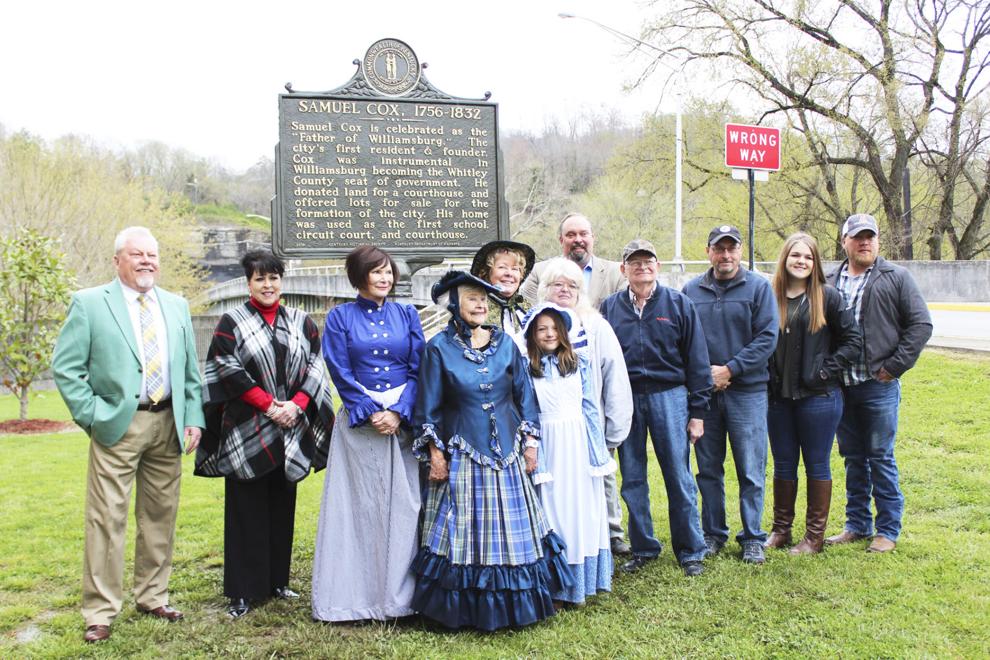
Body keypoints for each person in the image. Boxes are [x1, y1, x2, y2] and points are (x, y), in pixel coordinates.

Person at [52, 226, 205, 643]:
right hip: (117, 425)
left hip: (168, 424)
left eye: (152, 255)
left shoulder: (176, 305)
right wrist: (94, 416)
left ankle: (153, 595)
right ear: (117, 259)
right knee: (107, 518)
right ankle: (99, 610)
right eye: (137, 254)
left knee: (160, 516)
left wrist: (194, 416)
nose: (146, 261)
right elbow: (66, 368)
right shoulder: (89, 304)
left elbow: (191, 370)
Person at [410, 271, 573, 630]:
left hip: (509, 454)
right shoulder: (439, 348)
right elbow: (428, 407)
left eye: (484, 299)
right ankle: (464, 609)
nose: (481, 304)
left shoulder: (505, 345)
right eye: (472, 298)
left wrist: (530, 445)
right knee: (463, 533)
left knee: (516, 531)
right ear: (455, 304)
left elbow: (525, 398)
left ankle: (518, 605)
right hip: (465, 452)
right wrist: (436, 454)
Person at [195, 250, 335, 619]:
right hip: (248, 428)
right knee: (246, 508)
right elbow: (227, 369)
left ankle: (276, 581)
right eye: (260, 279)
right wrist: (271, 406)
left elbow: (316, 367)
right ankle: (243, 590)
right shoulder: (232, 321)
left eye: (273, 278)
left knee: (281, 505)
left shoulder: (302, 322)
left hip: (291, 427)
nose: (268, 285)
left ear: (281, 281)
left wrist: (298, 405)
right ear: (249, 283)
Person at [312, 245, 425, 622]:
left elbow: (417, 367)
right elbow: (338, 368)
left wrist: (399, 411)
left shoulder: (407, 314)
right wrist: (371, 411)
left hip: (401, 425)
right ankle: (353, 600)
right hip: (361, 426)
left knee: (404, 508)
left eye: (388, 272)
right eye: (376, 272)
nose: (385, 278)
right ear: (360, 276)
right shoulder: (340, 317)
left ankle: (399, 600)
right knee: (360, 509)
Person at [600, 240, 713, 577]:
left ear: (657, 266)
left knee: (678, 476)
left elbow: (698, 360)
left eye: (648, 261)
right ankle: (645, 547)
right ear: (624, 270)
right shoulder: (610, 308)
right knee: (632, 477)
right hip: (627, 396)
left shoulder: (678, 304)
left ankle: (691, 550)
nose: (642, 267)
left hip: (671, 396)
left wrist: (698, 411)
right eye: (634, 263)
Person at [522, 213, 632, 557]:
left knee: (589, 492)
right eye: (558, 286)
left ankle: (600, 544)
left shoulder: (595, 327)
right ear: (545, 289)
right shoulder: (531, 334)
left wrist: (612, 431)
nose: (564, 291)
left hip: (587, 429)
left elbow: (615, 380)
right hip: (546, 434)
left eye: (571, 286)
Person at [825, 214, 932, 553]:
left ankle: (887, 529)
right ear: (845, 242)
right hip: (841, 386)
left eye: (870, 236)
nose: (865, 242)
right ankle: (857, 524)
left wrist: (894, 367)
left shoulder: (896, 277)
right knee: (853, 457)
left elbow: (920, 325)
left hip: (877, 385)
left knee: (880, 457)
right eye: (857, 237)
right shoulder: (828, 280)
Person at [682, 225, 778, 565]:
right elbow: (684, 339)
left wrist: (731, 370)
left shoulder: (758, 288)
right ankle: (713, 533)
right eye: (719, 249)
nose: (726, 256)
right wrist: (706, 374)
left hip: (747, 393)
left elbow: (767, 338)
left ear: (740, 251)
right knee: (708, 468)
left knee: (751, 468)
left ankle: (752, 536)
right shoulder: (691, 290)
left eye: (731, 249)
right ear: (708, 251)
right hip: (705, 396)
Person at [765, 233, 862, 554]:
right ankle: (781, 530)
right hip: (779, 398)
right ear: (785, 259)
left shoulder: (827, 297)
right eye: (796, 255)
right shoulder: (771, 296)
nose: (801, 261)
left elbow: (853, 341)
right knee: (783, 464)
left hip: (818, 398)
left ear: (815, 262)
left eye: (807, 257)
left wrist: (824, 370)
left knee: (817, 464)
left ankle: (814, 537)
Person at [522, 302, 616, 605]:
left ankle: (583, 583)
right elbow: (528, 412)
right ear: (532, 335)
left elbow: (589, 407)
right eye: (541, 329)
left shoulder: (579, 363)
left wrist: (596, 452)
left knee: (582, 508)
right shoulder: (527, 369)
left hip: (577, 441)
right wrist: (531, 447)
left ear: (563, 332)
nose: (549, 334)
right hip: (549, 442)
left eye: (554, 328)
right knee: (554, 509)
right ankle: (556, 584)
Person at [520, 212, 626, 309]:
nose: (578, 240)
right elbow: (527, 315)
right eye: (571, 235)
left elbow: (622, 317)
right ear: (561, 240)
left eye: (584, 234)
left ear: (593, 238)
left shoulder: (617, 273)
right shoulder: (538, 272)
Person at [470, 239, 536, 334]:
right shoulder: (474, 309)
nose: (509, 273)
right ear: (487, 272)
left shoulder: (527, 309)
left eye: (515, 269)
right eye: (502, 267)